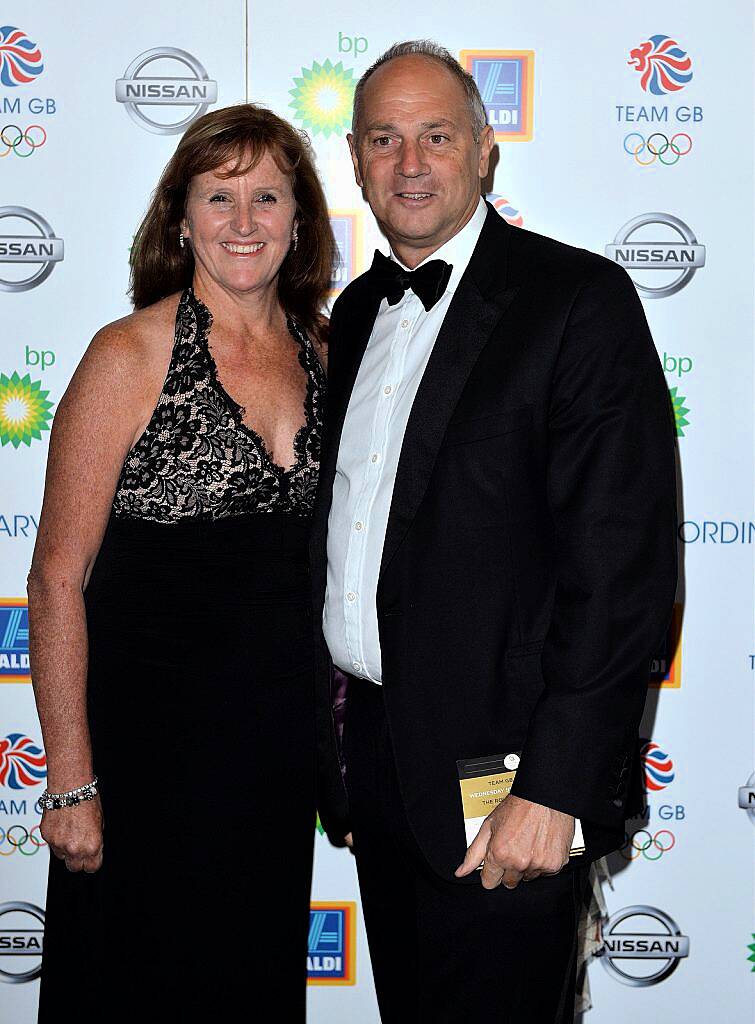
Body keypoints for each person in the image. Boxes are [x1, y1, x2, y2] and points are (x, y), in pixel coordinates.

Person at [311, 41, 677, 1022]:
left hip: (506, 783)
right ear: (354, 161)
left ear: (483, 151)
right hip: (375, 767)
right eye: (383, 140)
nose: (410, 163)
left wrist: (552, 788)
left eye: (435, 135)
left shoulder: (573, 302)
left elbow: (620, 569)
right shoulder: (352, 315)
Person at [28, 103, 332, 1019]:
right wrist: (72, 779)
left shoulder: (326, 353)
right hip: (144, 763)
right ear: (181, 216)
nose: (244, 222)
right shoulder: (128, 356)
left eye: (267, 197)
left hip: (273, 765)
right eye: (218, 196)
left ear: (299, 219)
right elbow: (54, 581)